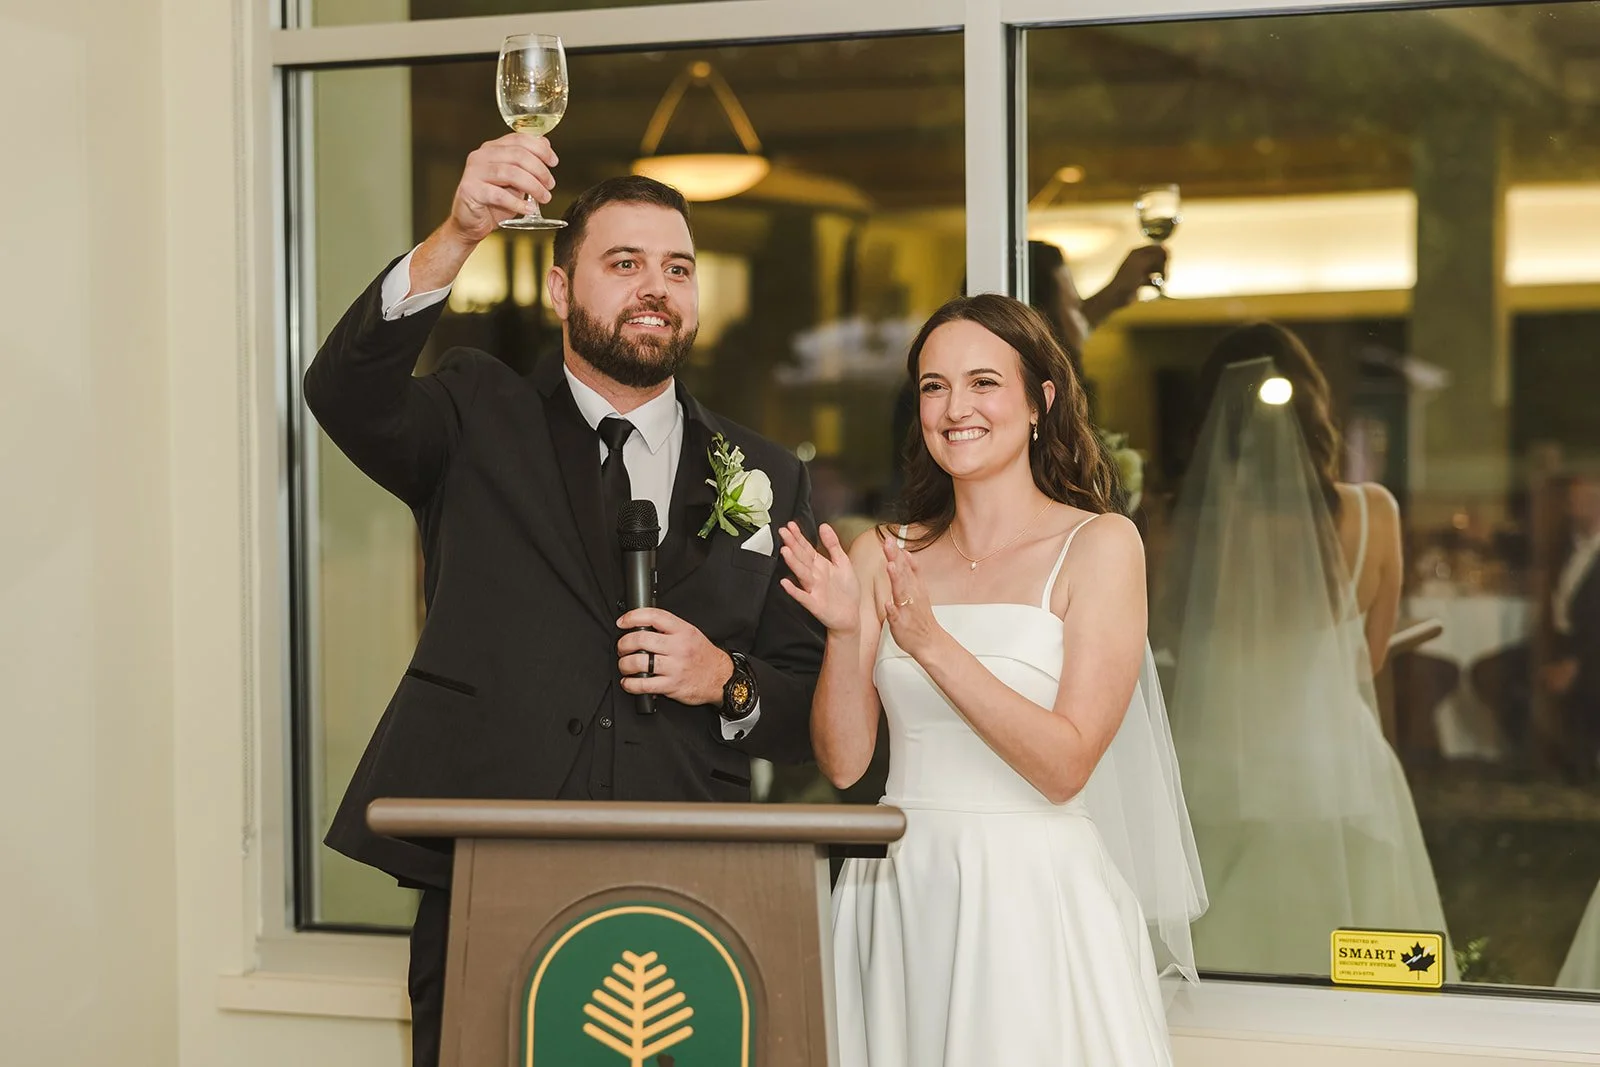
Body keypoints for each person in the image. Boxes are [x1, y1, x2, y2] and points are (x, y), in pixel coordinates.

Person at [302, 132, 824, 1067]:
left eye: (676, 268)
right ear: (558, 289)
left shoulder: (767, 474)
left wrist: (726, 678)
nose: (655, 287)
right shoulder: (474, 414)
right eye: (624, 264)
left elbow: (808, 700)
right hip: (488, 864)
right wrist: (458, 235)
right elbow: (344, 392)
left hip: (693, 882)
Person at [778, 294, 1204, 1066]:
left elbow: (1065, 765)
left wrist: (931, 644)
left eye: (983, 382)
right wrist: (843, 632)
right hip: (898, 886)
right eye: (934, 386)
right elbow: (843, 763)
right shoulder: (883, 553)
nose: (955, 408)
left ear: (1040, 401)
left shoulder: (1101, 545)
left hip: (1031, 897)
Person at [1155, 321, 1454, 978]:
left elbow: (1169, 644)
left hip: (1216, 765)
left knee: (1220, 966)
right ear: (1313, 407)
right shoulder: (1374, 514)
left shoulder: (1180, 528)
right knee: (1364, 967)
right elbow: (1369, 661)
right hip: (1335, 766)